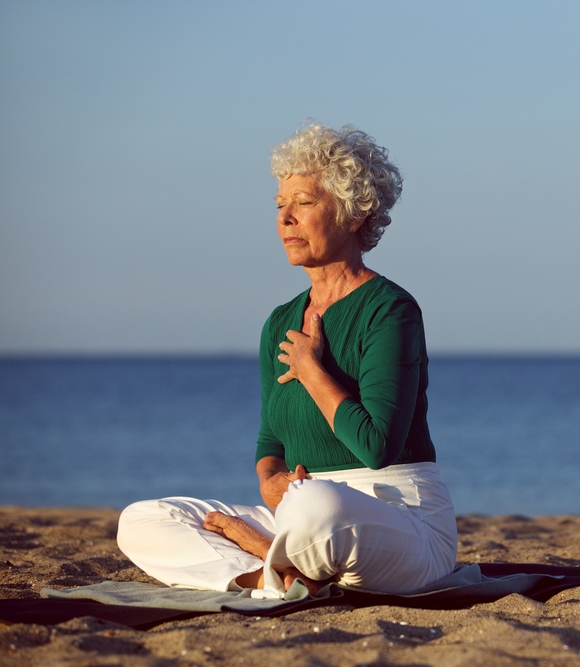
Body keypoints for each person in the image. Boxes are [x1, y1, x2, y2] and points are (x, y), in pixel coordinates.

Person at [117, 124, 458, 598]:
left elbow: (378, 446)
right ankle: (269, 575)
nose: (285, 219)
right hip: (300, 512)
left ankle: (266, 551)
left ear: (355, 213)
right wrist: (268, 484)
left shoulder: (390, 310)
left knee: (316, 506)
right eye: (280, 205)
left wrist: (311, 368)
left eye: (304, 202)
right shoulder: (281, 321)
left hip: (400, 520)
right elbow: (270, 439)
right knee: (143, 518)